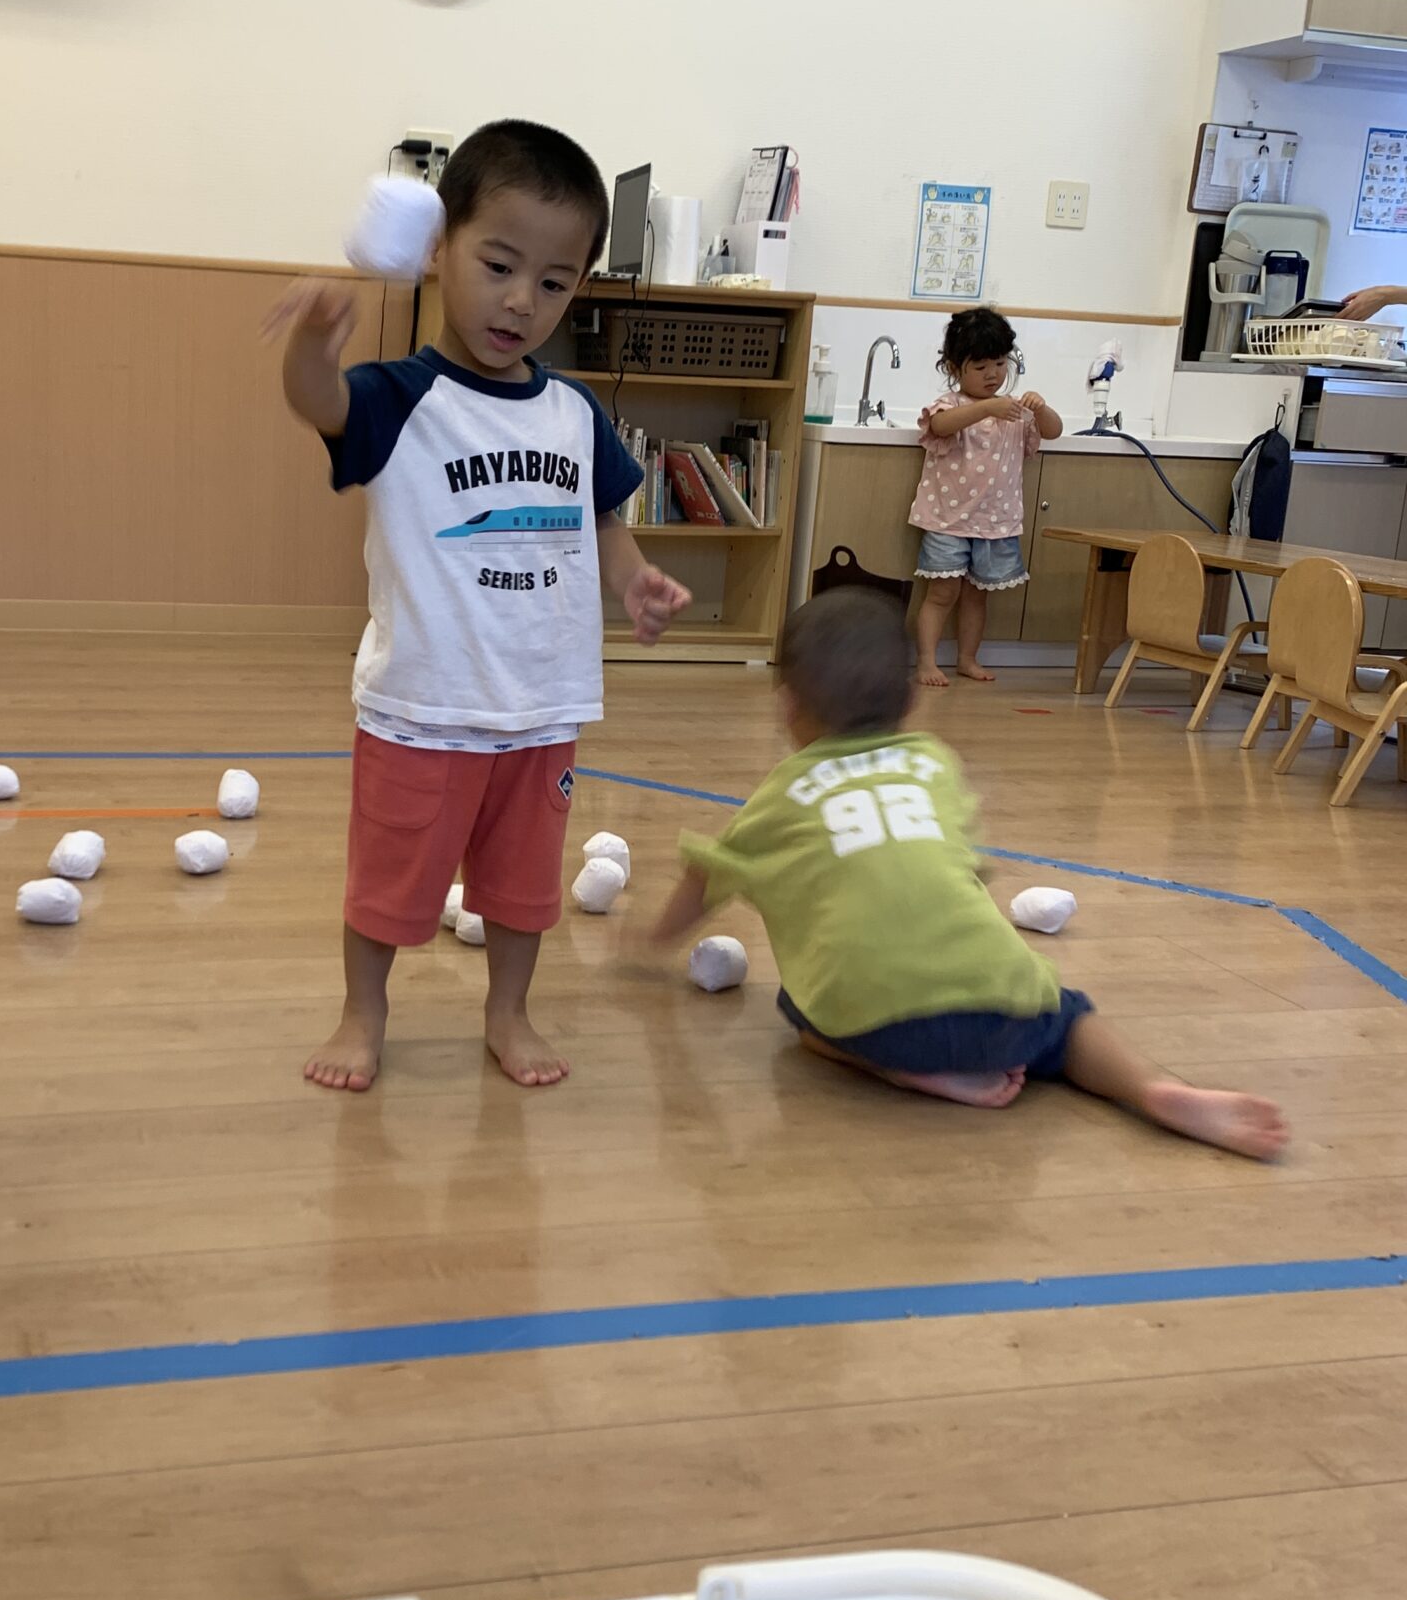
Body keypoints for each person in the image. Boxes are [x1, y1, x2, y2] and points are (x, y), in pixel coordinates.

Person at [266, 118, 691, 1092]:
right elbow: (316, 401)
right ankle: (363, 1014)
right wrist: (312, 342)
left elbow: (600, 518)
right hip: (423, 705)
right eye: (499, 266)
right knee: (389, 882)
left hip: (541, 708)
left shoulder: (573, 412)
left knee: (523, 887)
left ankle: (509, 1013)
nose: (522, 300)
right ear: (436, 248)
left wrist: (634, 579)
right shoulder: (398, 397)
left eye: (555, 281)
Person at [652, 588, 1287, 1159]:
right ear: (909, 700)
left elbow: (707, 880)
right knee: (1068, 1021)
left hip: (878, 1023)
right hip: (1000, 998)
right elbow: (961, 872)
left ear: (788, 705)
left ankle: (902, 1072)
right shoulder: (934, 762)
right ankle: (1153, 1089)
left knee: (800, 1010)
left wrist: (648, 941)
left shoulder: (784, 789)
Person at [909, 306, 1063, 688]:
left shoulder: (1014, 411)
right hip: (947, 520)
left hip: (995, 523)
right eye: (980, 367)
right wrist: (986, 408)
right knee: (942, 593)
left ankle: (967, 658)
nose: (992, 374)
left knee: (977, 596)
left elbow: (1054, 431)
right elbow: (940, 425)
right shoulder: (951, 404)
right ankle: (926, 661)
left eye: (999, 363)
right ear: (954, 367)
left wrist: (1042, 408)